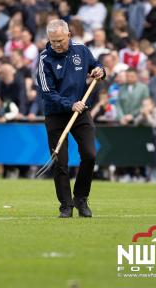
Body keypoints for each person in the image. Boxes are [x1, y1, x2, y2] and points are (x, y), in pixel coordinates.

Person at [37, 19, 105, 218]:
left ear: (68, 35)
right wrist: (69, 104)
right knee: (61, 162)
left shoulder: (81, 50)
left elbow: (97, 66)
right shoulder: (44, 59)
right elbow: (47, 92)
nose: (57, 45)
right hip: (56, 115)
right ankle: (66, 206)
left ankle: (81, 198)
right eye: (53, 41)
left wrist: (100, 71)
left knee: (90, 155)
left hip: (81, 113)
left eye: (60, 40)